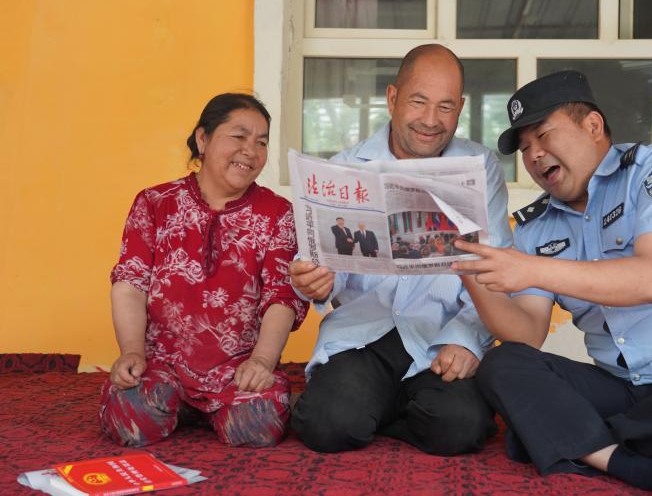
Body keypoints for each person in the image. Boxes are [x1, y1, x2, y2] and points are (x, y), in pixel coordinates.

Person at [452, 70, 652, 492]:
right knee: (504, 363)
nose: (533, 156)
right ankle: (617, 459)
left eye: (544, 136)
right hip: (621, 389)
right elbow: (527, 333)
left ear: (592, 126)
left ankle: (565, 435)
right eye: (525, 148)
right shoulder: (535, 226)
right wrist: (468, 265)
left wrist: (529, 269)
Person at [289, 44, 513, 456]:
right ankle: (377, 408)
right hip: (363, 336)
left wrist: (466, 341)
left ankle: (377, 412)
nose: (431, 120)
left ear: (460, 107)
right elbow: (324, 269)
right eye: (418, 102)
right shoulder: (345, 167)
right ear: (392, 98)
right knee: (327, 425)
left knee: (462, 428)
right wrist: (313, 281)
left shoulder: (480, 168)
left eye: (446, 107)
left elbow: (497, 272)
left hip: (438, 336)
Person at [100, 93, 309, 448]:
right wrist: (132, 351)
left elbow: (282, 295)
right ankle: (169, 403)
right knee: (129, 421)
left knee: (257, 426)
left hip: (237, 372)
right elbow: (130, 283)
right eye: (238, 137)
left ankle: (226, 406)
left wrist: (262, 361)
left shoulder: (277, 214)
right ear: (203, 139)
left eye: (261, 142)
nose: (251, 151)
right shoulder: (154, 203)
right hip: (161, 366)